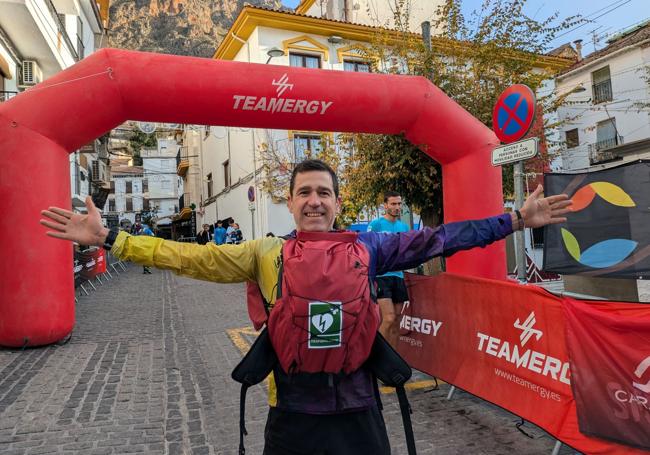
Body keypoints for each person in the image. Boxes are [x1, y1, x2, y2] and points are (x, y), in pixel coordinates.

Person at [40, 159, 571, 454]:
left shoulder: (370, 246)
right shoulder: (264, 252)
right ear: (290, 202)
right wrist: (111, 238)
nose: (314, 200)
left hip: (360, 411)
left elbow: (441, 239)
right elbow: (188, 257)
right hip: (291, 415)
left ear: (338, 203)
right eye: (304, 193)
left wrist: (515, 221)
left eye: (323, 192)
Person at [368, 191, 410, 349]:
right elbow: (368, 248)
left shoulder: (404, 227)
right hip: (381, 276)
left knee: (397, 320)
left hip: (398, 276)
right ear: (385, 205)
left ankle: (393, 361)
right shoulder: (376, 224)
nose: (397, 207)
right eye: (393, 204)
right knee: (389, 318)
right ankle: (378, 358)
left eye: (399, 204)